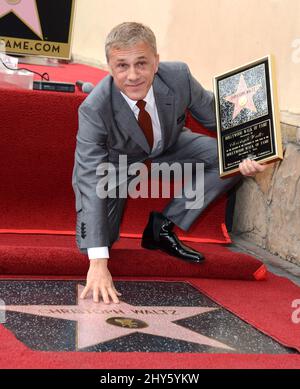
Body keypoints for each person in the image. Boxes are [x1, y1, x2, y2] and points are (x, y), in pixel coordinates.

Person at [72, 22, 267, 305]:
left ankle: (161, 228)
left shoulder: (178, 77)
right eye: (122, 66)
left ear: (156, 62)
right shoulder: (94, 108)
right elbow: (89, 180)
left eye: (142, 63)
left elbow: (220, 117)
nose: (133, 75)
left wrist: (252, 150)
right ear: (110, 67)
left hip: (168, 142)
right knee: (99, 242)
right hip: (118, 161)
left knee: (228, 158)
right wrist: (98, 263)